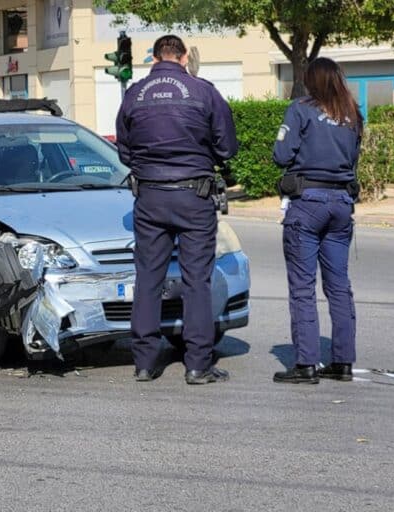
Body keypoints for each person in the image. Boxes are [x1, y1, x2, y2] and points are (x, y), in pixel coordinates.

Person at [115, 35, 238, 384]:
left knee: (148, 279)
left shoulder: (135, 94)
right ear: (184, 57)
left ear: (154, 58)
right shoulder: (203, 91)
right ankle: (198, 364)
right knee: (196, 279)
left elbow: (124, 150)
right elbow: (227, 146)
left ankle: (144, 363)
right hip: (193, 196)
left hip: (150, 196)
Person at [272, 58, 362, 384]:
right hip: (341, 204)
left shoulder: (300, 109)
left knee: (303, 288)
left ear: (310, 81)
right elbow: (353, 159)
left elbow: (281, 155)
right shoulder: (352, 113)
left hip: (307, 204)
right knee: (339, 287)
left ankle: (306, 365)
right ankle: (343, 362)